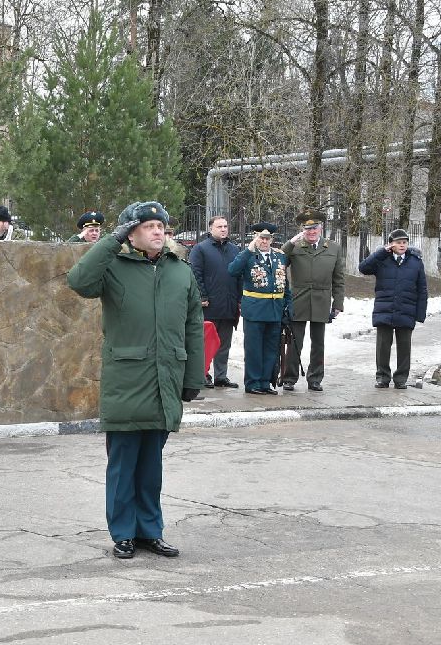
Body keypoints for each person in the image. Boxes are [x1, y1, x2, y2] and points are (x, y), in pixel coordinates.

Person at [67, 201, 204, 560]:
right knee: (124, 463)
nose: (158, 231)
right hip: (127, 379)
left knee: (151, 465)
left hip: (166, 379)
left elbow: (193, 327)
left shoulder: (180, 271)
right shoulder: (114, 265)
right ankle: (123, 532)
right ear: (131, 232)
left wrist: (193, 376)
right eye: (148, 226)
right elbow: (78, 281)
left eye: (161, 226)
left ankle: (149, 530)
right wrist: (112, 240)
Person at [279, 210, 345, 391]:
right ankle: (289, 378)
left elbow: (338, 278)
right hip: (298, 299)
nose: (311, 232)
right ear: (302, 230)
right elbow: (279, 258)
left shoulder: (333, 248)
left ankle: (315, 378)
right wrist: (291, 242)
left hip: (321, 300)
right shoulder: (296, 247)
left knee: (318, 343)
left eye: (314, 228)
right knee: (294, 342)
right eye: (307, 229)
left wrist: (338, 303)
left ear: (321, 228)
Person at [228, 222, 293, 395]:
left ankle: (265, 382)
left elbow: (284, 285)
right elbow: (232, 271)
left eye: (267, 238)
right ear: (255, 238)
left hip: (275, 310)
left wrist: (288, 307)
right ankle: (253, 383)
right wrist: (248, 251)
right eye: (261, 238)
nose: (264, 241)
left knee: (271, 349)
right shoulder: (248, 256)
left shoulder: (279, 257)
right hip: (255, 311)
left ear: (272, 239)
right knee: (254, 349)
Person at [359, 229, 428, 389]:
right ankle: (382, 377)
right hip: (385, 309)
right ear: (391, 244)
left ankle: (401, 378)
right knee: (383, 346)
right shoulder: (382, 259)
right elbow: (363, 268)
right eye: (398, 242)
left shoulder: (415, 261)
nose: (402, 245)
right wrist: (380, 253)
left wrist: (420, 313)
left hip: (406, 309)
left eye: (404, 242)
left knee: (404, 347)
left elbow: (422, 289)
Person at [189, 215, 242, 389]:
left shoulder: (235, 250)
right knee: (205, 342)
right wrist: (202, 296)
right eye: (219, 226)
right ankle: (203, 374)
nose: (223, 229)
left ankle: (221, 376)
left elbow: (240, 276)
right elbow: (195, 274)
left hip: (228, 304)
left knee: (224, 343)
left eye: (226, 226)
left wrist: (240, 299)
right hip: (208, 305)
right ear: (211, 228)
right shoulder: (200, 249)